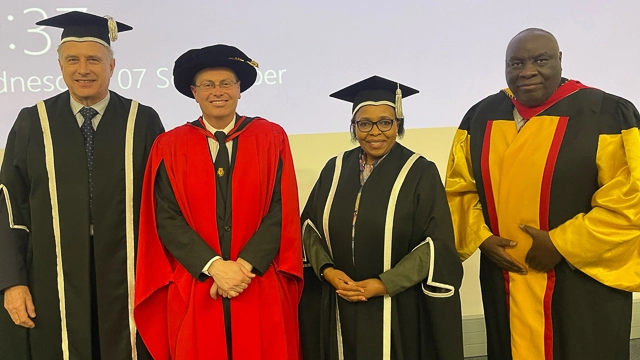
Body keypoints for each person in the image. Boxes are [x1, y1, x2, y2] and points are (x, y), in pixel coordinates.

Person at [445, 28, 640, 360]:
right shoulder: (481, 117)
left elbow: (631, 197)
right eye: (516, 62)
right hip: (504, 277)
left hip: (579, 283)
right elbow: (459, 190)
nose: (527, 71)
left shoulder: (607, 114)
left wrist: (562, 243)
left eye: (540, 60)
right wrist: (481, 238)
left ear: (560, 60)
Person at [0, 11, 164, 360]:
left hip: (128, 273)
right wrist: (12, 281)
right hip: (51, 274)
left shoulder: (143, 121)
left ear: (112, 65)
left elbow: (163, 205)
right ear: (60, 65)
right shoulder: (33, 122)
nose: (83, 69)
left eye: (93, 59)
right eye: (72, 59)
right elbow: (10, 205)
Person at [134, 44, 303, 360]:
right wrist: (213, 267)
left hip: (257, 279)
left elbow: (284, 208)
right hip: (197, 282)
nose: (218, 91)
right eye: (207, 85)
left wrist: (243, 266)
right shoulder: (170, 145)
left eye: (226, 83)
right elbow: (165, 216)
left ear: (240, 89)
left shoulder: (271, 137)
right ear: (194, 93)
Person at [299, 75, 464, 360]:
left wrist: (385, 283)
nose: (375, 132)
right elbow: (308, 228)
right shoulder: (335, 168)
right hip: (340, 297)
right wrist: (327, 271)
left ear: (398, 124)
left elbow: (434, 244)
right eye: (364, 123)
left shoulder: (420, 171)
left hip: (397, 304)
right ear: (354, 127)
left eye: (385, 122)